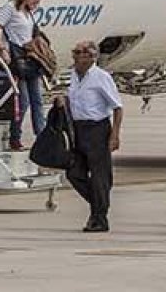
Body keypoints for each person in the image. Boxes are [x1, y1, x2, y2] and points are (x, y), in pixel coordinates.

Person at [60, 40, 123, 233]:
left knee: (99, 177)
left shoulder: (100, 77)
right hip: (78, 129)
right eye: (75, 52)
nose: (76, 56)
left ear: (91, 56)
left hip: (97, 129)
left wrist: (115, 135)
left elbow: (117, 107)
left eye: (80, 52)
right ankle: (99, 205)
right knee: (74, 173)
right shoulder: (73, 76)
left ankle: (99, 218)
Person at [0, 0, 47, 151]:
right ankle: (15, 137)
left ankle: (42, 136)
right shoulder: (10, 8)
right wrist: (2, 49)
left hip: (31, 59)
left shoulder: (28, 12)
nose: (37, 2)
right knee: (23, 101)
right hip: (17, 60)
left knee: (37, 100)